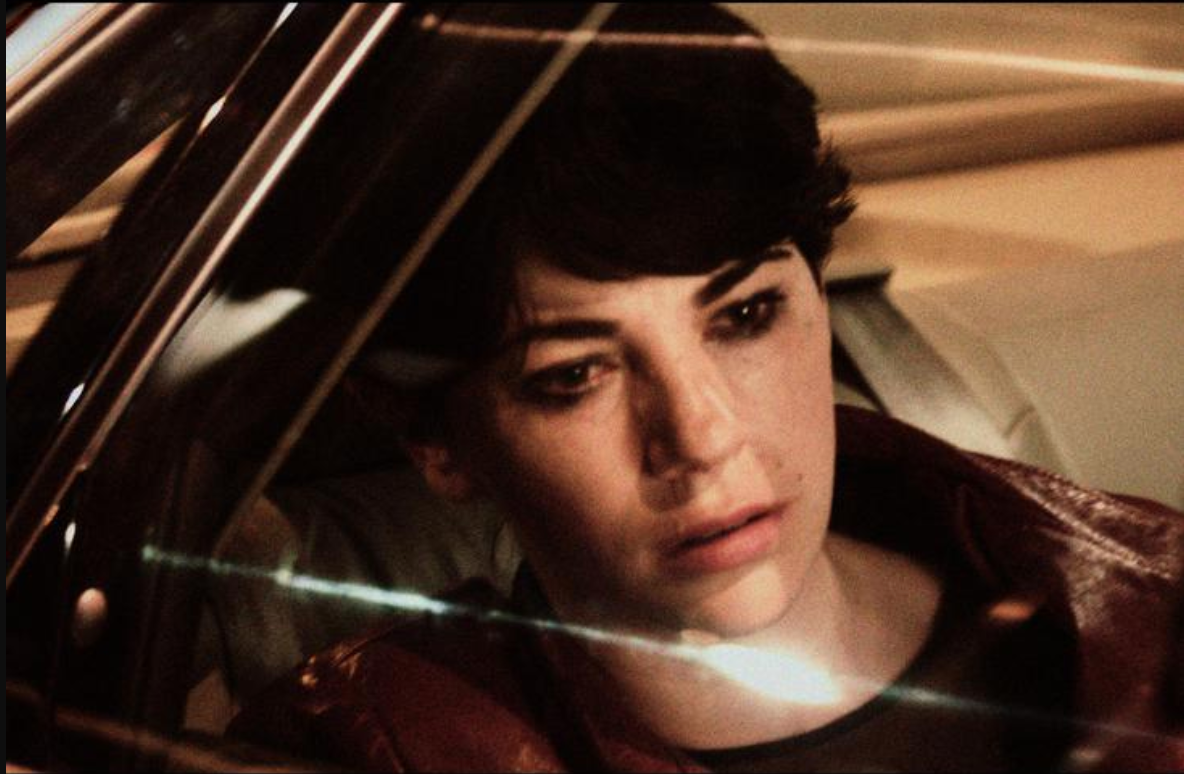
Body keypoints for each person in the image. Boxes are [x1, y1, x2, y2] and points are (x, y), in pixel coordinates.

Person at [229, 4, 1184, 771]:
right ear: (433, 440)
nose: (703, 436)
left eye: (745, 315)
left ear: (818, 292)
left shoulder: (1143, 601)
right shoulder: (373, 745)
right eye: (574, 375)